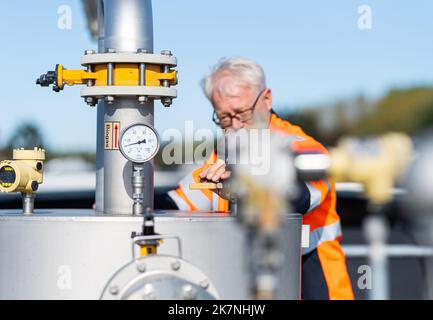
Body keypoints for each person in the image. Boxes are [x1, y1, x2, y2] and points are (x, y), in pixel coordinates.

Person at [166, 57, 354, 300]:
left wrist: (239, 186)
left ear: (266, 99)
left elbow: (297, 200)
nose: (235, 127)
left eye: (242, 114)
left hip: (317, 288)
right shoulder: (223, 156)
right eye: (224, 118)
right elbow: (178, 202)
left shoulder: (305, 148)